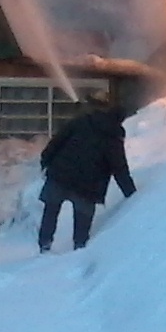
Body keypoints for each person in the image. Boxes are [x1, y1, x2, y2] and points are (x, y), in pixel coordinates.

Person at [37, 89, 136, 253]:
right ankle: (79, 249)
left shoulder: (81, 121)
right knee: (82, 220)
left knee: (51, 211)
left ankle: (44, 246)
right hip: (88, 186)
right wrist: (131, 194)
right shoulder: (113, 139)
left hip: (60, 175)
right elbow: (120, 169)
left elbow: (58, 140)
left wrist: (45, 159)